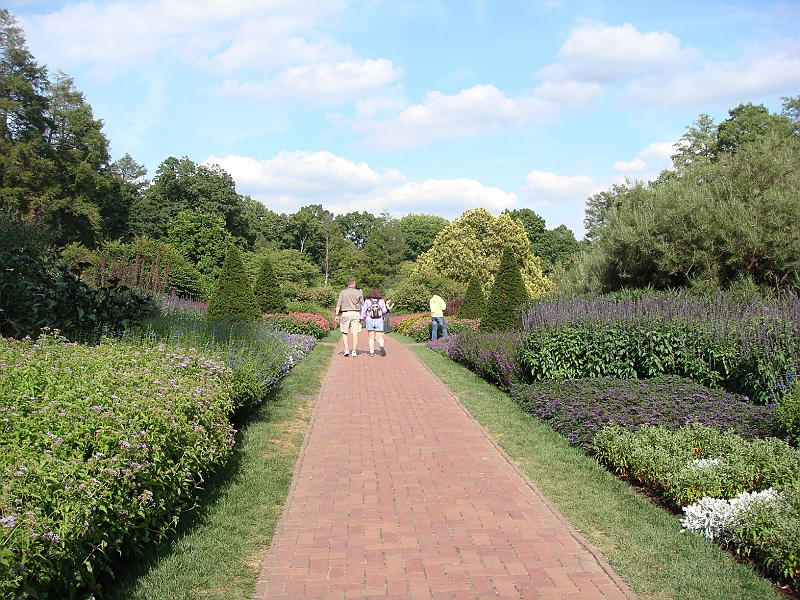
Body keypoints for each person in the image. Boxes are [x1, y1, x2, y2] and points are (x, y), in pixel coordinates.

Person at [334, 279, 364, 357]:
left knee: (344, 331)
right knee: (355, 332)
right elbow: (362, 305)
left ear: (348, 284)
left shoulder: (342, 292)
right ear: (354, 284)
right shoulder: (359, 292)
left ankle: (346, 348)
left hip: (345, 313)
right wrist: (362, 316)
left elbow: (338, 304)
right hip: (355, 313)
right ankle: (354, 350)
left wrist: (336, 315)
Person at [360, 287, 388, 356]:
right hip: (379, 320)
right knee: (380, 336)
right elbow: (384, 310)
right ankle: (381, 345)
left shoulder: (367, 301)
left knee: (371, 337)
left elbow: (363, 311)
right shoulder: (381, 301)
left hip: (370, 320)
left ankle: (371, 351)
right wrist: (383, 315)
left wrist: (361, 318)